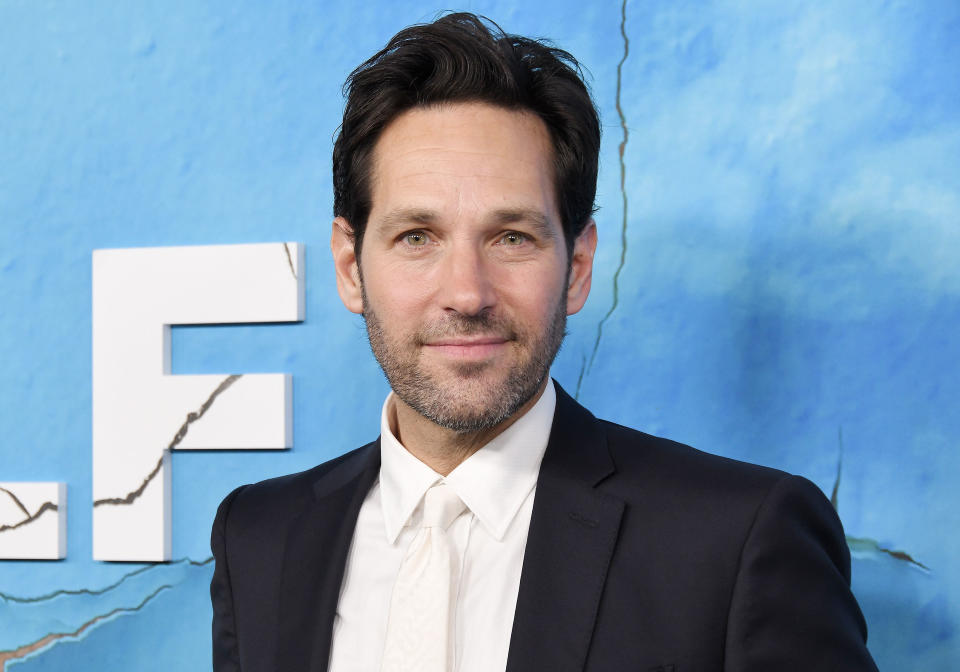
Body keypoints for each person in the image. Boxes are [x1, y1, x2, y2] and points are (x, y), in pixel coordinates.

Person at [210, 13, 878, 672]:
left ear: (578, 268)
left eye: (512, 238)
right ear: (351, 268)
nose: (467, 293)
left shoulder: (738, 542)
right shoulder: (259, 538)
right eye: (417, 236)